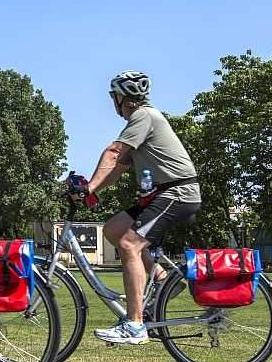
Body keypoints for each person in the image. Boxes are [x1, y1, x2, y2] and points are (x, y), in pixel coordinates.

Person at [77, 70, 201, 344]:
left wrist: (88, 186)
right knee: (113, 230)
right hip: (165, 193)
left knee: (130, 245)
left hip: (177, 193)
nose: (113, 102)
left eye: (114, 97)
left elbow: (112, 152)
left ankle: (134, 324)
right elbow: (117, 170)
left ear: (123, 98)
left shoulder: (143, 117)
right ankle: (160, 277)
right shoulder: (141, 123)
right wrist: (92, 189)